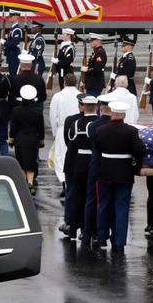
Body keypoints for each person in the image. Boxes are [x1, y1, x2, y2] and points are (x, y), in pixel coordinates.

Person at [92, 101, 146, 253]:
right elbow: (140, 149)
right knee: (121, 207)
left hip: (105, 171)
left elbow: (96, 147)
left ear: (112, 112)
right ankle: (119, 241)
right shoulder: (130, 131)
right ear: (124, 114)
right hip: (124, 172)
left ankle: (101, 237)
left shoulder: (101, 130)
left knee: (103, 205)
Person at [59, 95, 98, 240]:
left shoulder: (72, 121)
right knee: (89, 197)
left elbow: (68, 140)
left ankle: (71, 224)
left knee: (75, 195)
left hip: (75, 162)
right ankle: (87, 229)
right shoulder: (98, 122)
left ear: (81, 105)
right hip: (90, 162)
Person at [82, 95, 113, 247]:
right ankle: (102, 233)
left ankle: (88, 233)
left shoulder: (93, 126)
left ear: (101, 109)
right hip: (111, 167)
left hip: (95, 165)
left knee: (92, 200)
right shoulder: (114, 125)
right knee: (108, 202)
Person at [10, 83, 45, 194]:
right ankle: (30, 183)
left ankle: (22, 183)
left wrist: (11, 139)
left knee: (21, 163)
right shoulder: (38, 112)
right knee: (31, 162)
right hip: (33, 140)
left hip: (20, 140)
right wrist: (41, 140)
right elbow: (41, 127)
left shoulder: (16, 110)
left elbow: (13, 126)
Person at [49, 73, 81, 174]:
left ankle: (64, 180)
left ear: (64, 83)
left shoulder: (58, 96)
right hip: (78, 129)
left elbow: (53, 115)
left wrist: (55, 132)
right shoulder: (80, 95)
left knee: (61, 156)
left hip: (62, 129)